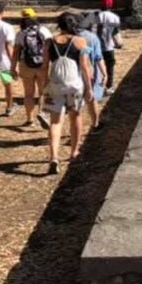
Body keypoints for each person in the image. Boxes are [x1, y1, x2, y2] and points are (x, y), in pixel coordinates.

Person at [43, 12, 93, 175]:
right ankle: (74, 151)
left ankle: (54, 157)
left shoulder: (49, 42)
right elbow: (85, 67)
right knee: (75, 116)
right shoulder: (80, 42)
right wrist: (89, 87)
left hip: (55, 85)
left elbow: (44, 66)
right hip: (74, 85)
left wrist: (44, 85)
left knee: (55, 121)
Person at [12, 8, 53, 128]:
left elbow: (16, 53)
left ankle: (29, 119)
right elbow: (50, 48)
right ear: (35, 18)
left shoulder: (21, 34)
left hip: (26, 64)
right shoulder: (44, 31)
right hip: (42, 64)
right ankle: (42, 113)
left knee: (28, 93)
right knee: (42, 92)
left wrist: (12, 68)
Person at [79, 12, 108, 132]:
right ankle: (95, 124)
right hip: (90, 72)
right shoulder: (92, 37)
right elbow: (98, 57)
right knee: (92, 99)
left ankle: (75, 128)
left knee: (75, 105)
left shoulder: (71, 36)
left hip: (73, 74)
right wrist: (104, 73)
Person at [97, 0, 122, 95]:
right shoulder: (115, 17)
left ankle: (98, 87)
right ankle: (109, 86)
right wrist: (119, 43)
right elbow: (115, 33)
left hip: (98, 47)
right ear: (111, 5)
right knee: (109, 67)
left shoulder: (96, 17)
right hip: (109, 47)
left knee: (98, 67)